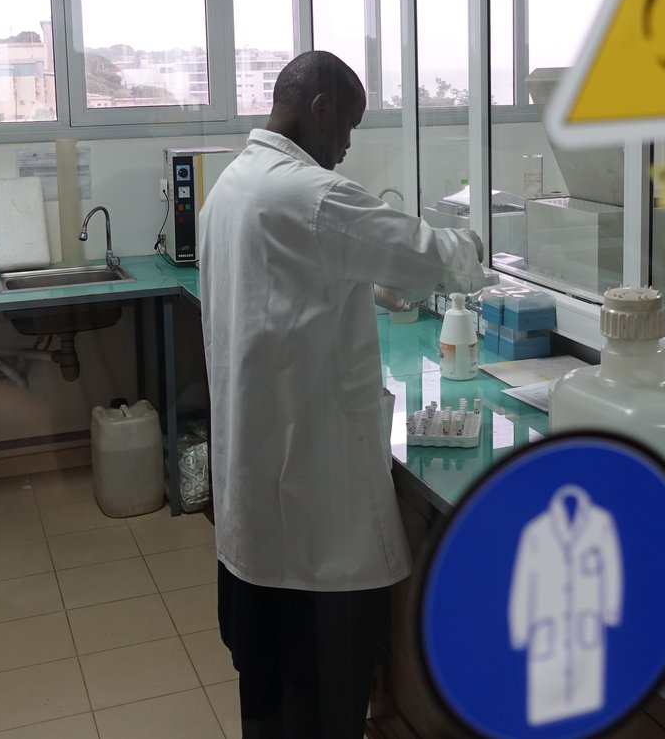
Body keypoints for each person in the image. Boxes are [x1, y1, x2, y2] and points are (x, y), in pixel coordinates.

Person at [199, 51, 486, 738]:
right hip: (314, 530)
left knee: (265, 701)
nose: (348, 145)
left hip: (252, 508)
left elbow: (308, 286)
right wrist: (480, 242)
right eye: (350, 127)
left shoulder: (232, 188)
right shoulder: (313, 194)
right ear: (320, 108)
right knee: (323, 708)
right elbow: (430, 254)